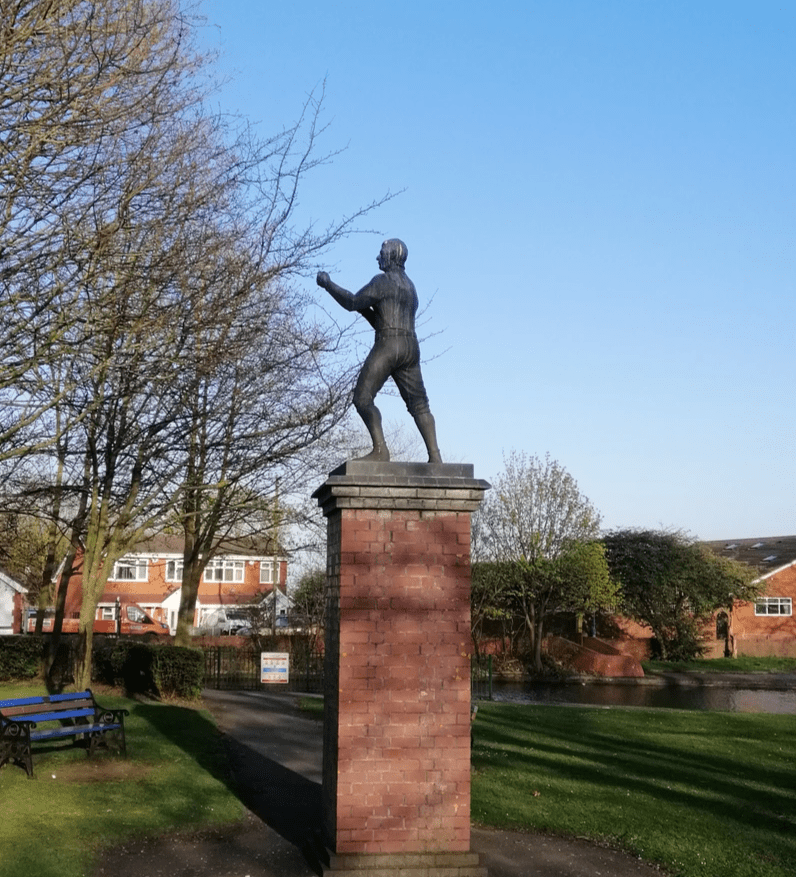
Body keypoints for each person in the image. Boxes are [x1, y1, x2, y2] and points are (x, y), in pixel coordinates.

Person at [317, 238, 442, 463]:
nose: (378, 257)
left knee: (362, 398)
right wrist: (365, 310)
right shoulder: (410, 287)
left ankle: (380, 451)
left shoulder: (382, 281)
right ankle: (435, 456)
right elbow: (383, 320)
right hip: (411, 347)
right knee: (420, 404)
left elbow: (352, 301)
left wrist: (328, 285)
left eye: (381, 252)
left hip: (389, 344)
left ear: (392, 256)